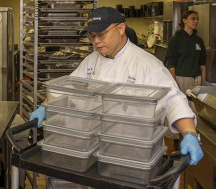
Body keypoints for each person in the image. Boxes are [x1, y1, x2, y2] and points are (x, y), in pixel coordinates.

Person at [29, 7, 203, 165]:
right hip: (95, 148)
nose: (96, 41)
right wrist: (45, 107)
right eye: (92, 35)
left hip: (134, 153)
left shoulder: (147, 64)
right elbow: (67, 89)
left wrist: (189, 134)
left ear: (120, 29)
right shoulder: (91, 61)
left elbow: (173, 100)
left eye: (102, 34)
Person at [165, 10, 207, 92]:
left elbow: (202, 64)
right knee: (183, 104)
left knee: (196, 105)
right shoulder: (175, 39)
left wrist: (203, 82)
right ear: (184, 20)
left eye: (197, 19)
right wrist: (174, 82)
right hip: (181, 80)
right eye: (193, 19)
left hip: (197, 79)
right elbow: (170, 64)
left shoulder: (199, 40)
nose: (196, 21)